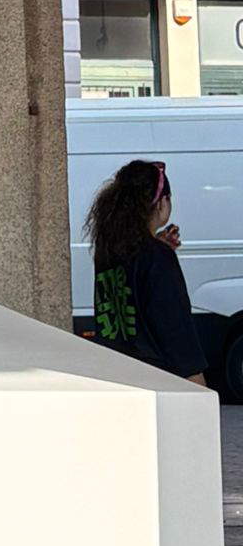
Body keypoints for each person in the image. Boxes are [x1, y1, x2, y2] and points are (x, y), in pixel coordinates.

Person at [86, 159, 207, 385]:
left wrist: (156, 245)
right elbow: (175, 332)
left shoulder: (106, 253)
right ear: (161, 203)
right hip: (160, 384)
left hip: (120, 378)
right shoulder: (158, 258)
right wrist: (197, 383)